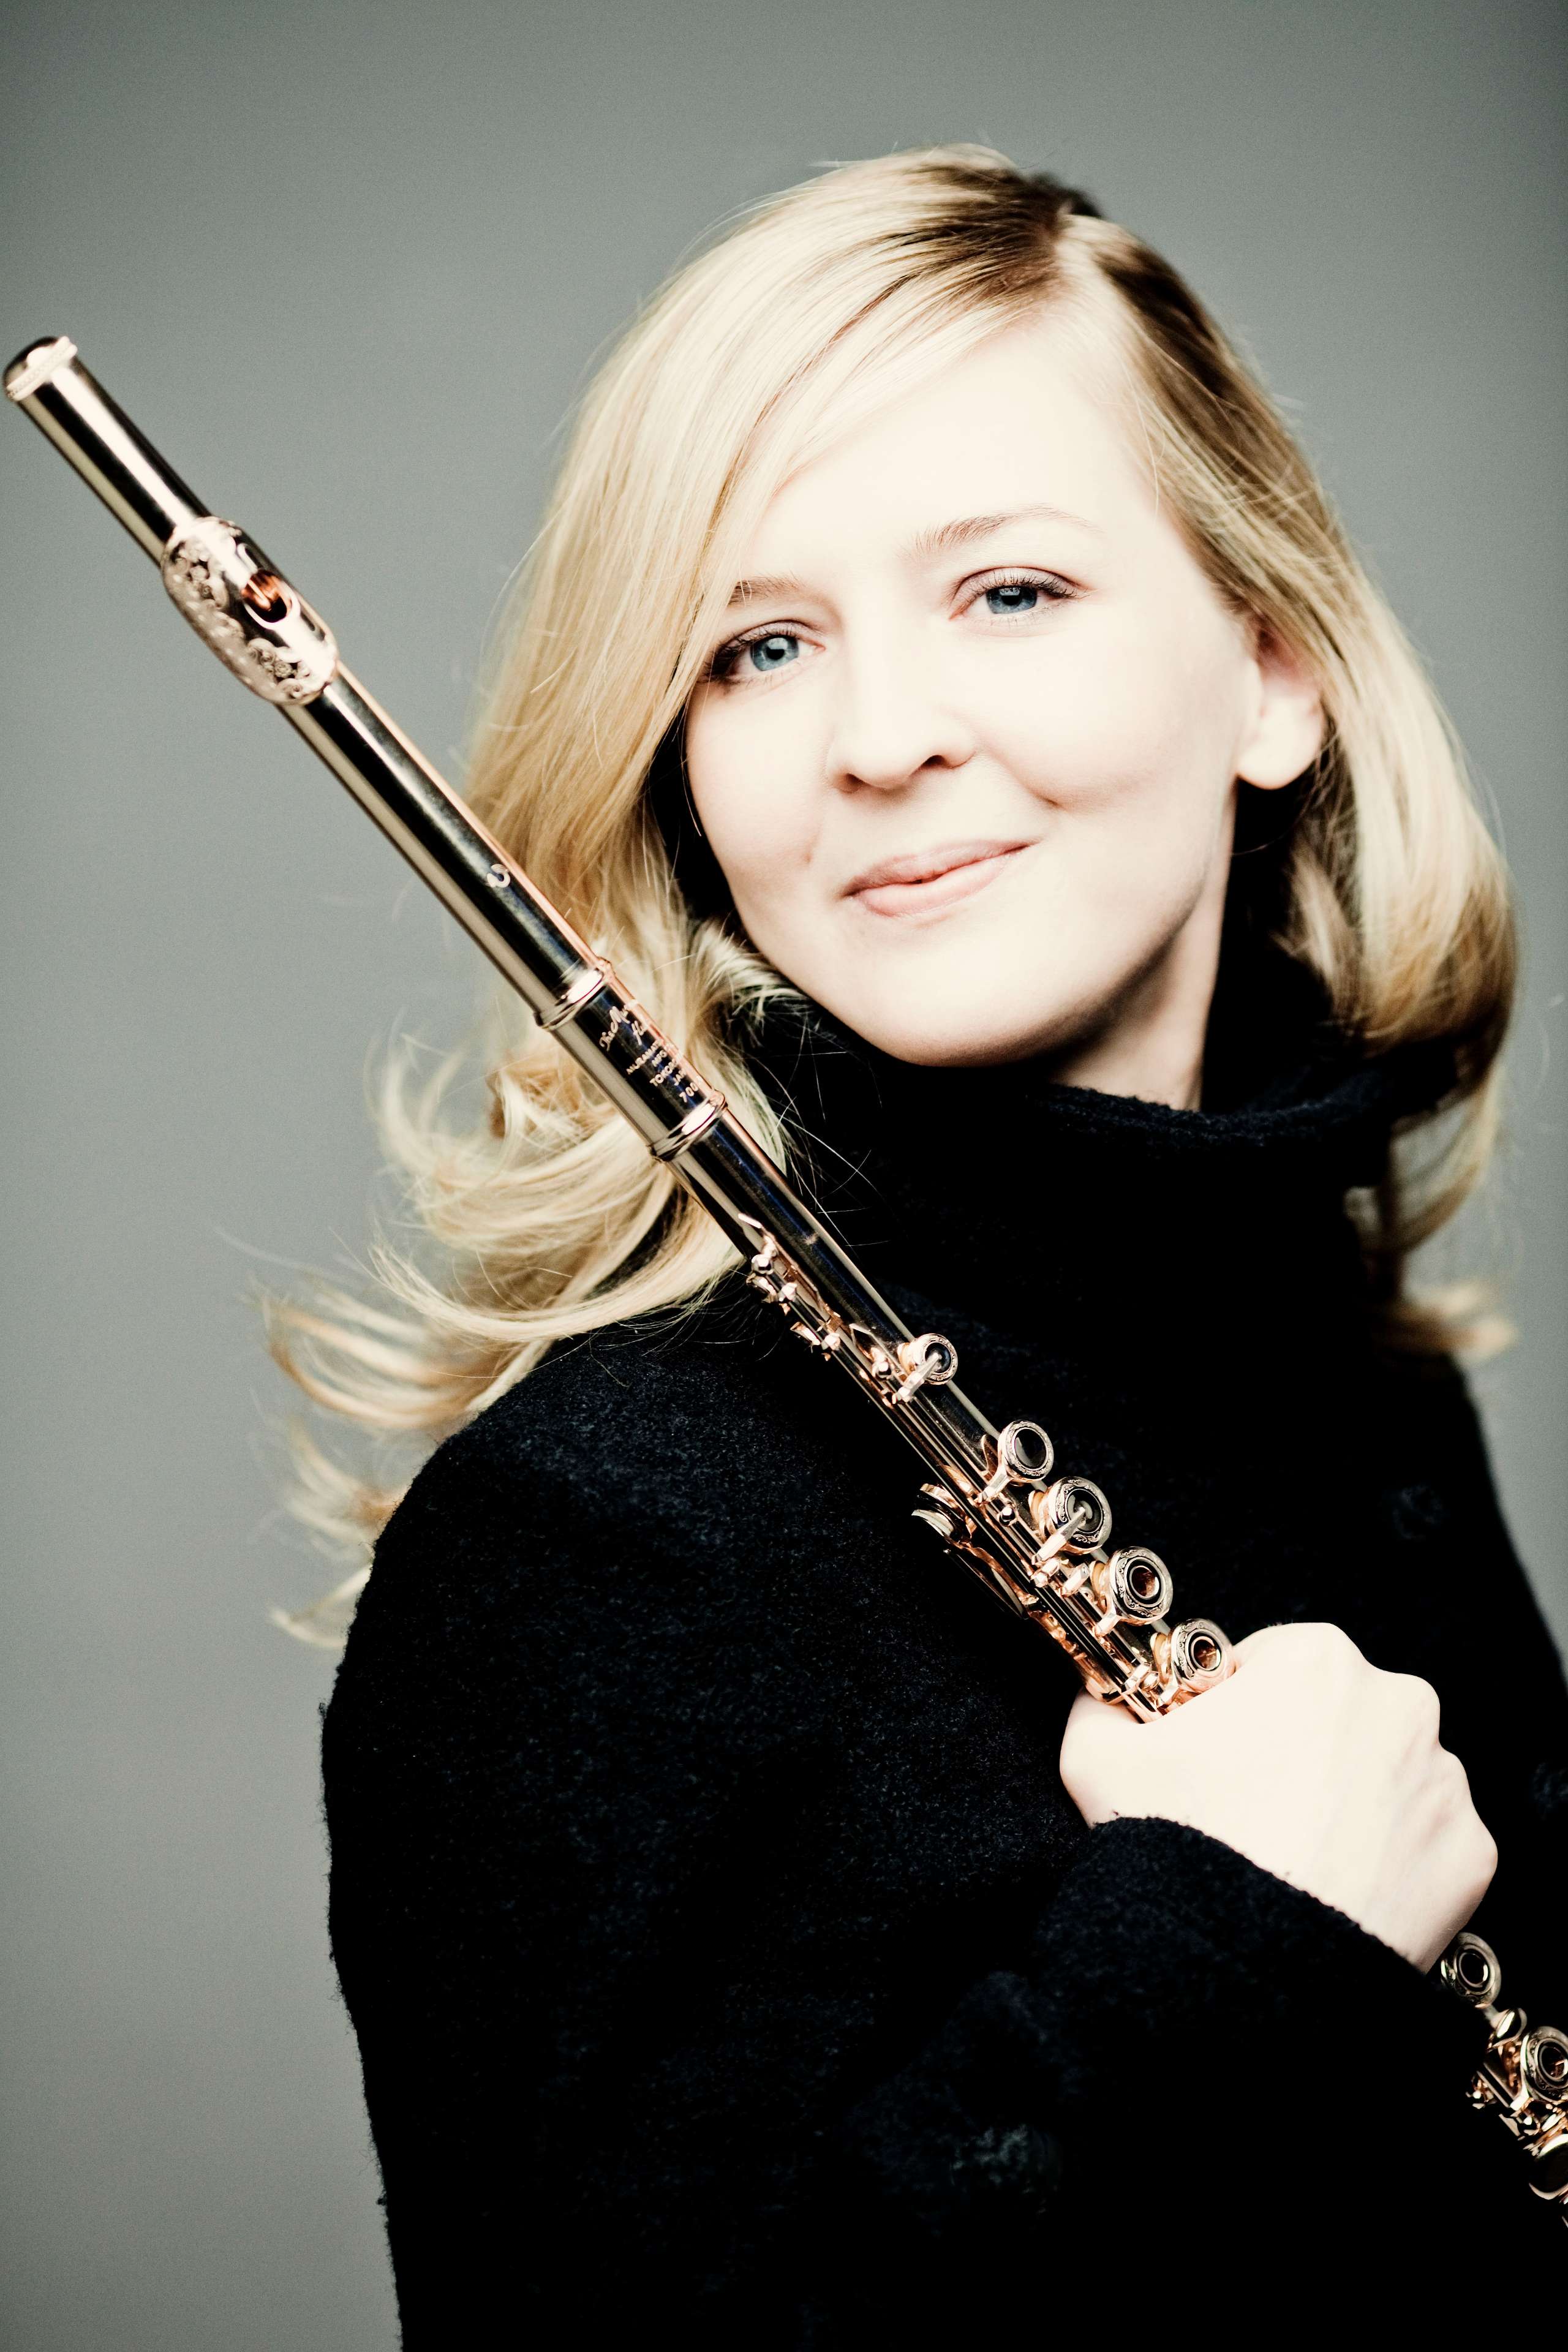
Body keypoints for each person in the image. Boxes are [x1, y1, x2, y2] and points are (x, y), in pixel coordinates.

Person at [288, 149, 1566, 2333]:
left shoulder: (1357, 1377)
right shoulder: (601, 1530)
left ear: (1273, 670)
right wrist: (1224, 1934)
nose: (882, 739)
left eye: (1011, 593)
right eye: (760, 647)